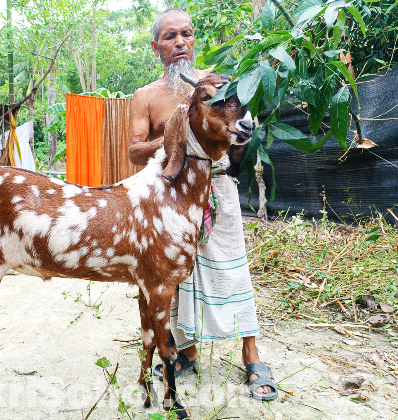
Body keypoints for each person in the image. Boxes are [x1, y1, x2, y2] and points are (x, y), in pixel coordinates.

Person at [128, 8, 278, 401]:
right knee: (178, 277)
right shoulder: (146, 96)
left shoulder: (217, 85)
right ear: (155, 47)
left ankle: (251, 355)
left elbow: (240, 134)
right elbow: (133, 151)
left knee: (232, 264)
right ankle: (188, 349)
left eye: (186, 34)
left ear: (194, 40)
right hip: (169, 197)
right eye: (169, 36)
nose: (180, 42)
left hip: (218, 189)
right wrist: (182, 131)